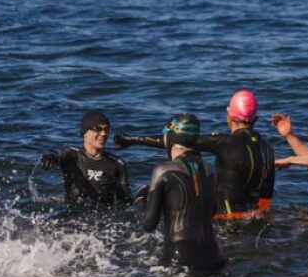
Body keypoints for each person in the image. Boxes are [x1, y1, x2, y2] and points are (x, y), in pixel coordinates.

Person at [117, 89, 274, 219]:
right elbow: (266, 198)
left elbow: (180, 140)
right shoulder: (267, 148)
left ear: (230, 116)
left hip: (224, 220)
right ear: (256, 118)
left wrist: (132, 139)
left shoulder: (225, 142)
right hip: (254, 218)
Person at [137, 114, 225, 274]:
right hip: (213, 255)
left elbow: (148, 224)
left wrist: (141, 199)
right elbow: (212, 211)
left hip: (180, 257)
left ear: (170, 138)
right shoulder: (211, 170)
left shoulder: (163, 170)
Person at [38, 110, 132, 206]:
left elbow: (127, 201)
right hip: (73, 214)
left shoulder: (117, 164)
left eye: (107, 130)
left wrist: (116, 186)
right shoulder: (72, 155)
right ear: (85, 133)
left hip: (104, 216)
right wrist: (50, 157)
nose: (103, 134)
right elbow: (56, 153)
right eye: (98, 129)